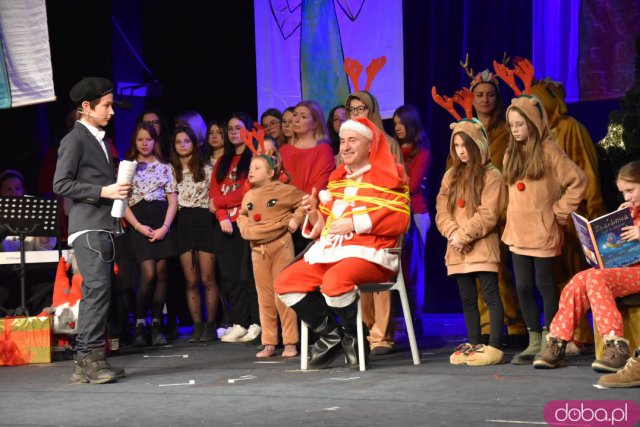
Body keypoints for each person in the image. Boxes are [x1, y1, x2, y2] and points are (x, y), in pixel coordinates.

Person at [274, 118, 410, 370]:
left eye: (352, 140)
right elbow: (325, 224)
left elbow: (400, 220)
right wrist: (314, 212)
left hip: (372, 254)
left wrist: (355, 224)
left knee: (335, 281)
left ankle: (354, 337)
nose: (345, 147)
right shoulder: (338, 181)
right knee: (285, 282)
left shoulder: (390, 176)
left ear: (370, 146)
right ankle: (334, 336)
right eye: (343, 141)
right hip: (333, 253)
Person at [493, 59, 588, 365]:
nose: (515, 130)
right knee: (522, 285)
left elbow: (578, 180)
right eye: (512, 125)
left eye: (520, 125)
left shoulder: (549, 150)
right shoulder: (511, 151)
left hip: (544, 229)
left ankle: (552, 337)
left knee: (545, 285)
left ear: (533, 123)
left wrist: (560, 211)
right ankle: (534, 338)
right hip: (518, 231)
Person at [53, 77, 130, 384]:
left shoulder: (97, 138)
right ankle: (88, 359)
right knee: (97, 290)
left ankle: (88, 360)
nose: (111, 111)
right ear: (86, 107)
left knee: (98, 292)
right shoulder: (75, 139)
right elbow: (61, 184)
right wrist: (104, 191)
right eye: (106, 105)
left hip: (101, 224)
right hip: (87, 226)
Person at [533, 161, 640, 373]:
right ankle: (558, 342)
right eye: (623, 192)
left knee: (597, 278)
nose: (627, 197)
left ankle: (616, 346)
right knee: (581, 278)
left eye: (631, 190)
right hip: (627, 269)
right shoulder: (632, 211)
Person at [532, 78, 607, 352]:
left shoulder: (570, 129)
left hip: (576, 217)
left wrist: (593, 212)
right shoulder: (538, 137)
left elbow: (587, 172)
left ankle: (586, 334)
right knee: (559, 278)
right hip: (550, 221)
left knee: (580, 275)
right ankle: (572, 332)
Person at [433, 89, 506, 365]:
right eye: (457, 147)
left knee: (489, 294)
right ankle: (475, 344)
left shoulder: (492, 175)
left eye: (467, 146)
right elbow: (442, 209)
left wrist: (465, 235)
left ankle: (495, 346)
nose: (462, 152)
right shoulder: (450, 175)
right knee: (466, 298)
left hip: (480, 244)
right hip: (457, 247)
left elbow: (489, 213)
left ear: (478, 145)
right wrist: (452, 233)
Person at [461, 59, 527, 343]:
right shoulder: (465, 131)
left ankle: (515, 324)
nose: (485, 99)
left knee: (505, 269)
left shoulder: (507, 130)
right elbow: (454, 167)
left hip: (505, 208)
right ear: (472, 98)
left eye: (490, 94)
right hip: (473, 209)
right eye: (479, 94)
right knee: (478, 269)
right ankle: (488, 327)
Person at [344, 90, 404, 355]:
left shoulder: (388, 143)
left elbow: (398, 187)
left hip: (382, 218)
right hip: (353, 222)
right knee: (357, 277)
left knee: (380, 277)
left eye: (361, 109)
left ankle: (382, 336)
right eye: (352, 110)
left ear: (373, 111)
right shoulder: (346, 145)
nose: (357, 114)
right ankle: (367, 332)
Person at [237, 130, 304, 358]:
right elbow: (242, 216)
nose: (251, 172)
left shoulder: (284, 191)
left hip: (281, 246)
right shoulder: (249, 196)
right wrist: (246, 229)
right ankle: (269, 341)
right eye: (250, 168)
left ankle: (290, 341)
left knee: (283, 294)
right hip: (258, 249)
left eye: (257, 168)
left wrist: (295, 219)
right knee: (264, 296)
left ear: (271, 172)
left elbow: (306, 202)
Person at [123, 123, 177, 347]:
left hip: (161, 219)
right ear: (134, 142)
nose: (145, 143)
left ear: (155, 141)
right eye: (140, 139)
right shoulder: (127, 167)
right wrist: (137, 226)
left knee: (162, 272)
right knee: (149, 273)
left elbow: (172, 200)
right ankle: (139, 322)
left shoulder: (165, 166)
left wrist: (165, 227)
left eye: (149, 139)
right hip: (139, 221)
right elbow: (122, 202)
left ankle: (156, 323)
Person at [209, 112, 261, 343]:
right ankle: (240, 322)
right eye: (229, 128)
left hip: (247, 222)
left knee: (248, 276)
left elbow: (247, 192)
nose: (233, 132)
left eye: (238, 127)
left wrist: (219, 204)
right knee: (230, 276)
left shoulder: (254, 158)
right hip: (225, 225)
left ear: (248, 130)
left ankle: (257, 322)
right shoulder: (222, 161)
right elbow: (213, 192)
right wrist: (221, 216)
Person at [170, 125, 219, 343]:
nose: (182, 145)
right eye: (179, 142)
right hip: (182, 223)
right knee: (190, 279)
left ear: (194, 143)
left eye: (186, 141)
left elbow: (214, 198)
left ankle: (210, 325)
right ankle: (197, 325)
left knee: (207, 277)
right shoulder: (170, 170)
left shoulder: (207, 168)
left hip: (203, 222)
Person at [280, 100, 336, 254]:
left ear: (315, 123)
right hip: (283, 217)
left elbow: (319, 185)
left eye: (303, 117)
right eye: (295, 115)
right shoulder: (284, 150)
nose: (296, 120)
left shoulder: (323, 150)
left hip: (308, 220)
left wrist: (298, 213)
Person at [393, 105, 431, 331]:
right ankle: (400, 314)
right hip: (396, 212)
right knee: (401, 266)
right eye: (395, 123)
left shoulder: (421, 152)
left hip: (415, 213)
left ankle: (416, 314)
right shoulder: (394, 149)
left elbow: (413, 185)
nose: (397, 128)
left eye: (401, 123)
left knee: (415, 267)